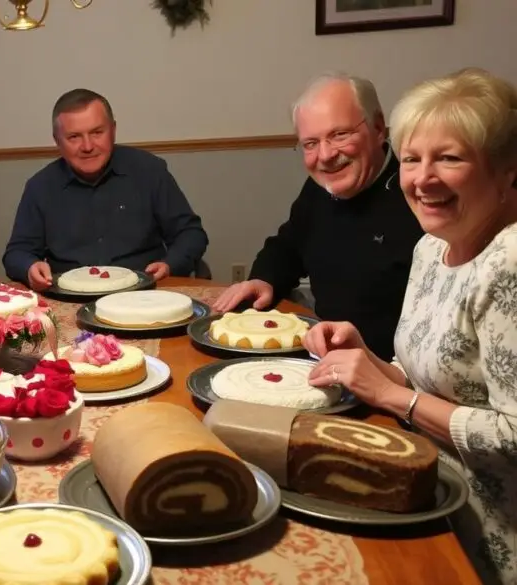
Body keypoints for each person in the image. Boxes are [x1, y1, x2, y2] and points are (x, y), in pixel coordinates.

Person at [304, 68, 517, 585]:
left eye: (449, 157)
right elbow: (426, 375)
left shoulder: (508, 262)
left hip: (487, 537)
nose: (423, 179)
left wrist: (392, 398)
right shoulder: (432, 247)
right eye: (413, 158)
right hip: (425, 489)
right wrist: (370, 361)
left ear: (507, 169)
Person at [214, 73, 424, 360]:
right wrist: (264, 279)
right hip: (322, 356)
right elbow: (288, 245)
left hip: (392, 373)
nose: (324, 155)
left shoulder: (419, 193)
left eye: (339, 135)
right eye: (310, 143)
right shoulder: (320, 187)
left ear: (378, 128)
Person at [1, 88, 208, 290]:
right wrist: (29, 267)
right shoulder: (40, 186)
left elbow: (190, 233)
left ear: (113, 130)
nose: (88, 146)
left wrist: (170, 264)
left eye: (97, 132)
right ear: (57, 141)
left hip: (144, 292)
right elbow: (17, 253)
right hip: (70, 298)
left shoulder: (149, 170)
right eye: (74, 137)